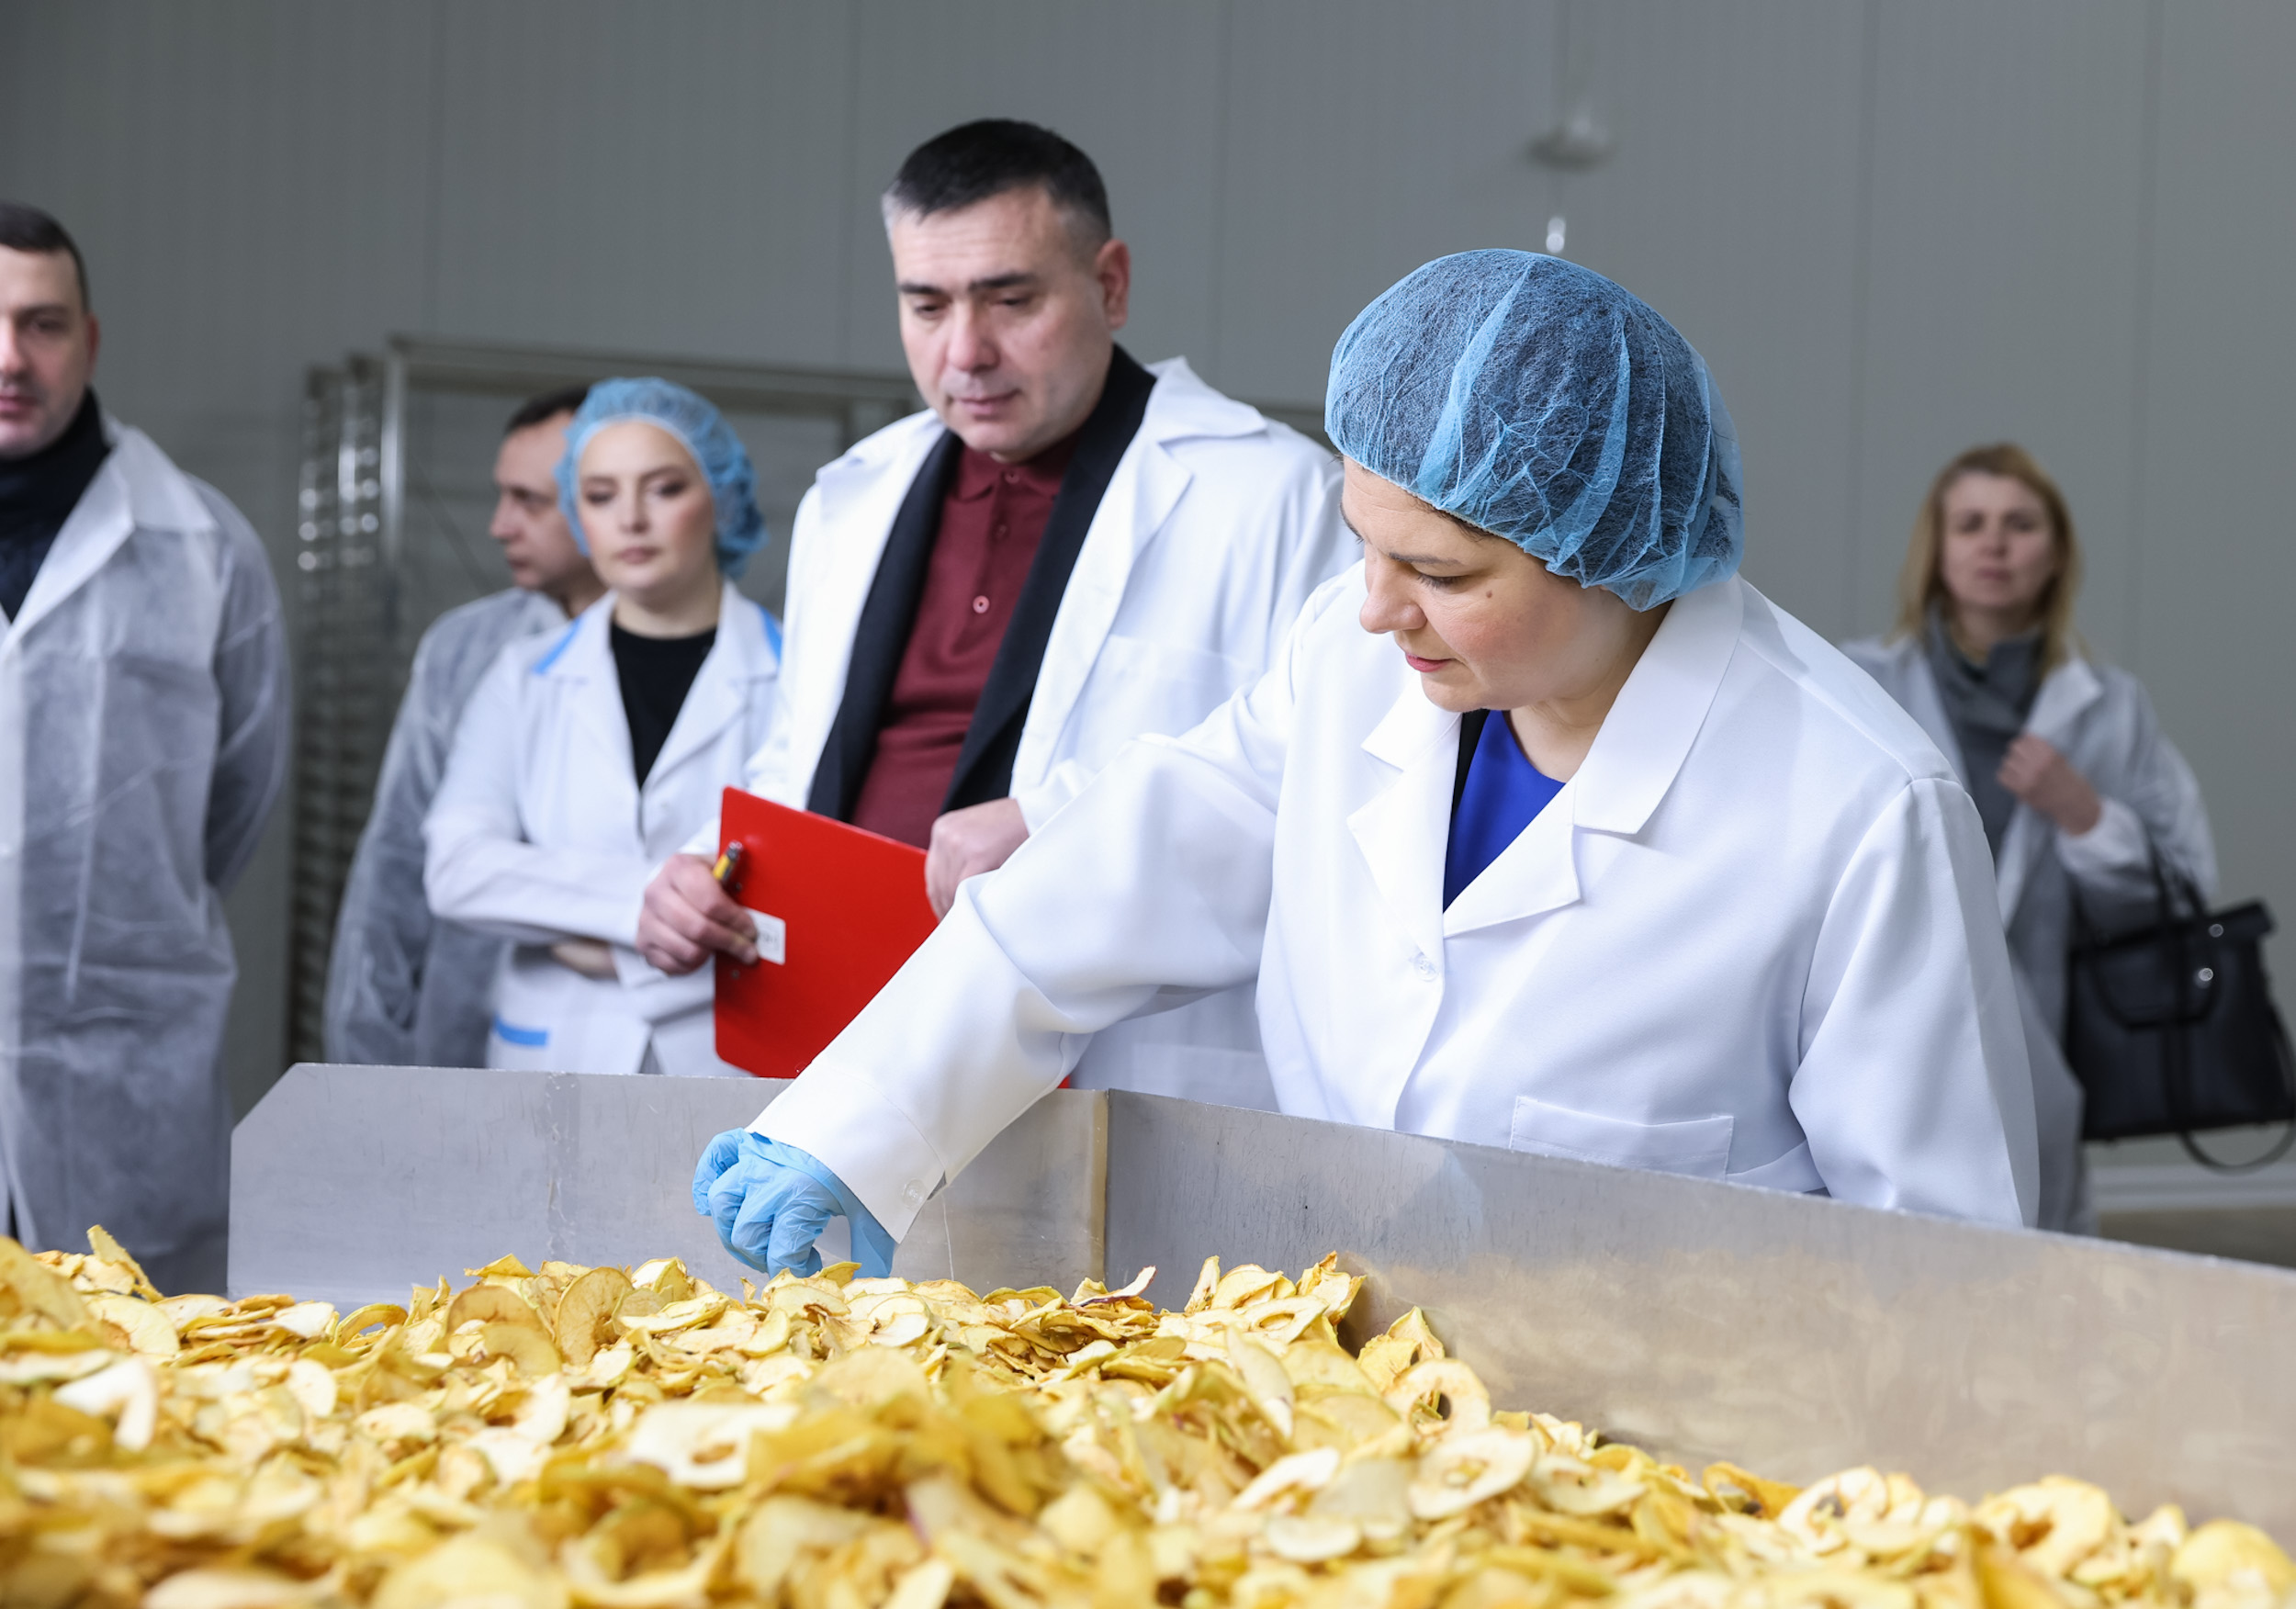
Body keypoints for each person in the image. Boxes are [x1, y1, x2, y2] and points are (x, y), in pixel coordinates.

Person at [694, 251, 2042, 1276]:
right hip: (1349, 1401)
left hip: (1680, 1471)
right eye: (1363, 546)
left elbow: (1946, 1263)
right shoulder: (1350, 671)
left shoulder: (1858, 809)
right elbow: (1088, 898)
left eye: (1441, 573)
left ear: (1606, 554)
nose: (1377, 608)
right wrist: (856, 1128)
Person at [635, 119, 1350, 1108]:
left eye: (1011, 301)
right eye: (925, 306)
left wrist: (1057, 829)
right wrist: (704, 869)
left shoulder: (1278, 499)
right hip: (846, 1038)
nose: (965, 353)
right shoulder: (855, 495)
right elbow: (794, 763)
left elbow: (1324, 791)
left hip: (1103, 1060)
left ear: (1110, 285)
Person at [0, 202, 288, 1291]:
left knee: (124, 1364)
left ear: (89, 339)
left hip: (120, 1065)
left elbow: (243, 786)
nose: (10, 358)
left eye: (41, 324)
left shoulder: (201, 544)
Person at [1843, 445, 2214, 1232]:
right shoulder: (1862, 685)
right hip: (1883, 1027)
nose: (1995, 544)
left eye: (2020, 524)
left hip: (2044, 1047)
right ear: (1937, 551)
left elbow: (2181, 891)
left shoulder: (2112, 706)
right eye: (1970, 524)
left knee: (2036, 1268)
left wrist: (2086, 815)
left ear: (2057, 552)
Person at [424, 379, 781, 1077]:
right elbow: (457, 869)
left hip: (729, 1065)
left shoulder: (799, 678)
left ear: (722, 498)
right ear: (577, 514)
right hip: (553, 1060)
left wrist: (580, 932)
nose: (632, 520)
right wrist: (659, 908)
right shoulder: (523, 676)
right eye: (600, 495)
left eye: (665, 489)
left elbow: (806, 913)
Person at [324, 386, 605, 1068]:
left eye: (529, 502)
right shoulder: (465, 649)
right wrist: (367, 1053)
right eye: (502, 496)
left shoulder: (721, 667)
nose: (500, 526)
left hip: (636, 1046)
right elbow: (396, 860)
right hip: (459, 1045)